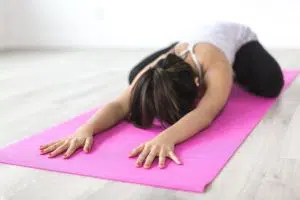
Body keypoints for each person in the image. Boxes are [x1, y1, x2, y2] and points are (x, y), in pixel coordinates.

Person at [39, 21, 284, 169]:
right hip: (187, 42)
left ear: (198, 84)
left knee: (271, 84)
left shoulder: (217, 66)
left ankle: (239, 71)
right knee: (137, 77)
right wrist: (85, 130)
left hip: (236, 40)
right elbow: (118, 105)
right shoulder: (159, 66)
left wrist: (165, 138)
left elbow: (205, 113)